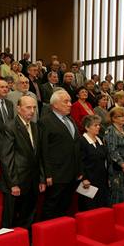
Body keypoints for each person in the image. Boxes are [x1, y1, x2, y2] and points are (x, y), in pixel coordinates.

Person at [0, 96, 45, 230]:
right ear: (18, 108)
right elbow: (6, 158)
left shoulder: (35, 127)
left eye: (34, 108)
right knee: (11, 221)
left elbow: (38, 156)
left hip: (33, 181)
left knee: (28, 218)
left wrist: (41, 179)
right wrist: (13, 184)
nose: (32, 111)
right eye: (28, 107)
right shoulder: (9, 127)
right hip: (16, 182)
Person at [39, 90, 83, 220]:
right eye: (66, 101)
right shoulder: (45, 121)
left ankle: (60, 232)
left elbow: (76, 146)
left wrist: (79, 169)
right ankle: (46, 234)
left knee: (65, 206)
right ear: (55, 105)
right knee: (51, 206)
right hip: (56, 174)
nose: (70, 104)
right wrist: (47, 174)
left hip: (72, 173)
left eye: (70, 101)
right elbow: (43, 150)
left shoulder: (70, 120)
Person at [104, 106, 124, 204]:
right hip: (117, 168)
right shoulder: (110, 131)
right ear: (113, 118)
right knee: (118, 194)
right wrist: (122, 164)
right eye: (121, 116)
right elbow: (112, 150)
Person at [78, 115, 109, 210]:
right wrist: (84, 178)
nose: (98, 127)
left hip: (101, 179)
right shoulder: (82, 141)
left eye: (99, 125)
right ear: (87, 127)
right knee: (90, 207)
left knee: (102, 206)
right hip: (89, 181)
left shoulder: (100, 139)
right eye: (95, 125)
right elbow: (80, 161)